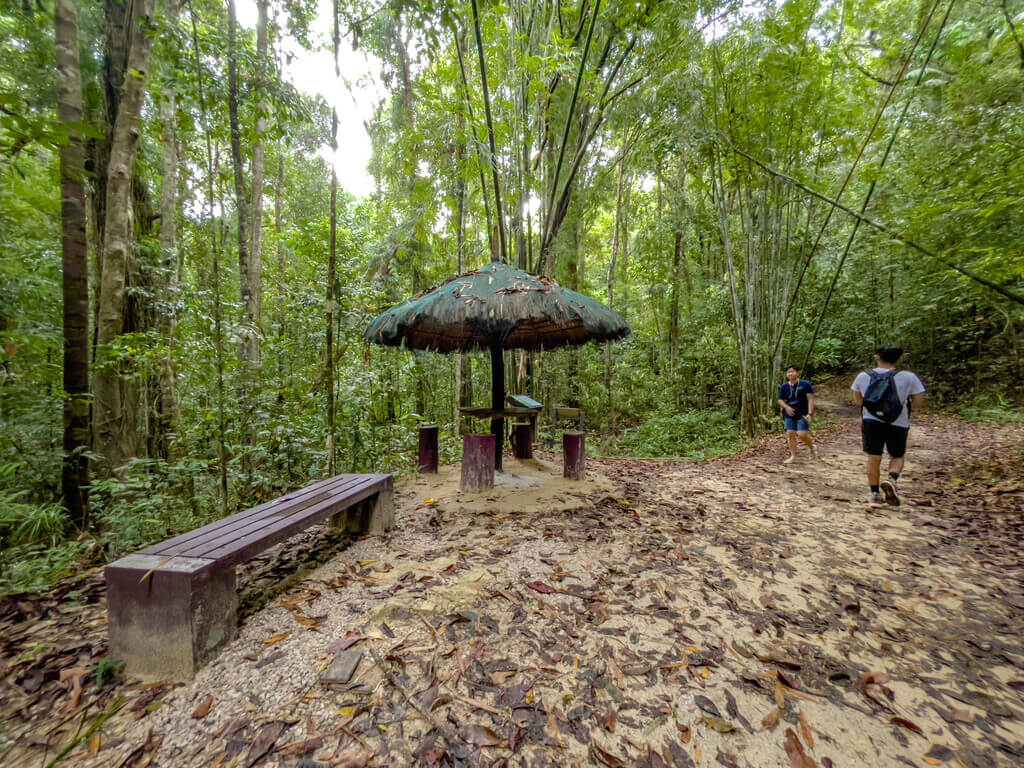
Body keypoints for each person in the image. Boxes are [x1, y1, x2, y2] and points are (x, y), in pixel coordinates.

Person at [850, 346, 926, 508]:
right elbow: (919, 402)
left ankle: (875, 495)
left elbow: (858, 401)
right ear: (899, 359)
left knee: (874, 456)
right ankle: (892, 479)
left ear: (876, 357)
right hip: (898, 422)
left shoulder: (863, 376)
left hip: (871, 421)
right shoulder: (908, 377)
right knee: (897, 455)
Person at [777, 365, 816, 464]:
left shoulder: (805, 384)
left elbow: (811, 399)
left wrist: (810, 414)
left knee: (802, 434)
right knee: (790, 434)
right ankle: (793, 456)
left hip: (803, 413)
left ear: (797, 373)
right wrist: (786, 407)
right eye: (788, 372)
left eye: (792, 371)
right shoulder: (784, 386)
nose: (790, 373)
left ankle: (812, 448)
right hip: (790, 414)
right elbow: (780, 400)